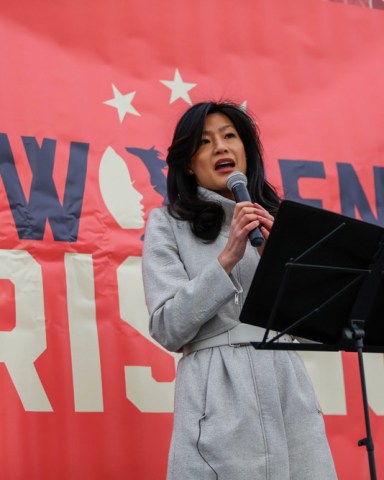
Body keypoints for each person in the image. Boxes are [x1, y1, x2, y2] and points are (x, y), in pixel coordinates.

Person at [142, 101, 337, 479]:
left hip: (287, 388)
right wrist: (227, 258)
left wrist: (274, 252)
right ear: (187, 162)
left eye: (230, 136)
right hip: (216, 390)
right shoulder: (168, 223)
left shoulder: (280, 221)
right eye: (205, 141)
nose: (221, 147)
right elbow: (167, 327)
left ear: (246, 150)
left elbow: (312, 325)